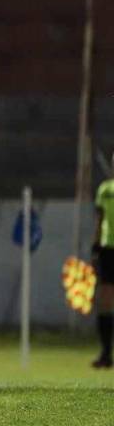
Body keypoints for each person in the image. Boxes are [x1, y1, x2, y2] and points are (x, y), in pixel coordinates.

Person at [92, 153, 114, 369]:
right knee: (105, 301)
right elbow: (99, 220)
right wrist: (95, 246)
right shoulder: (105, 190)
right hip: (109, 249)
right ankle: (106, 353)